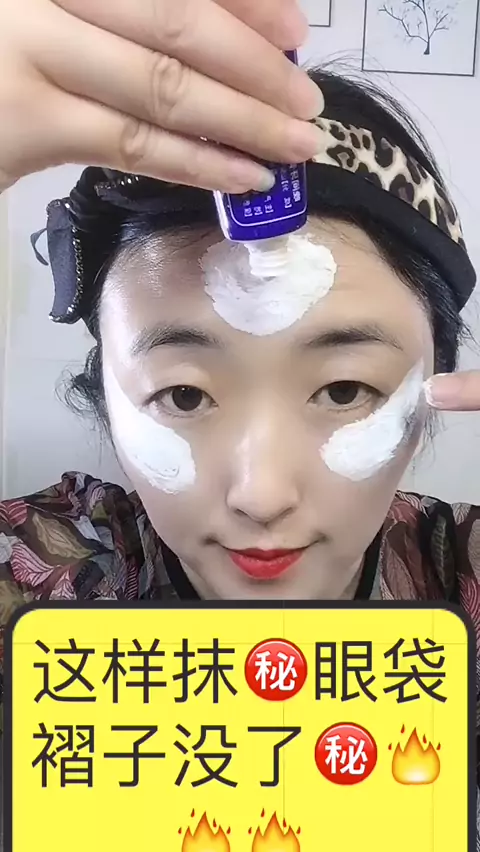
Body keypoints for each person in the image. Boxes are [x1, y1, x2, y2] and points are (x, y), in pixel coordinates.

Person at [1, 0, 480, 836]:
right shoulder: (41, 579)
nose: (261, 495)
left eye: (344, 390)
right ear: (107, 391)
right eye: (185, 396)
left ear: (435, 379)